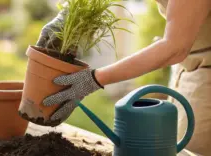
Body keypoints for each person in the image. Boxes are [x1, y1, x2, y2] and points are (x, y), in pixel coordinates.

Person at [37, 0, 211, 155]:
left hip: (206, 73)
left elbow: (175, 48)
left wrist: (94, 79)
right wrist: (69, 11)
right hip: (188, 64)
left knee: (193, 148)